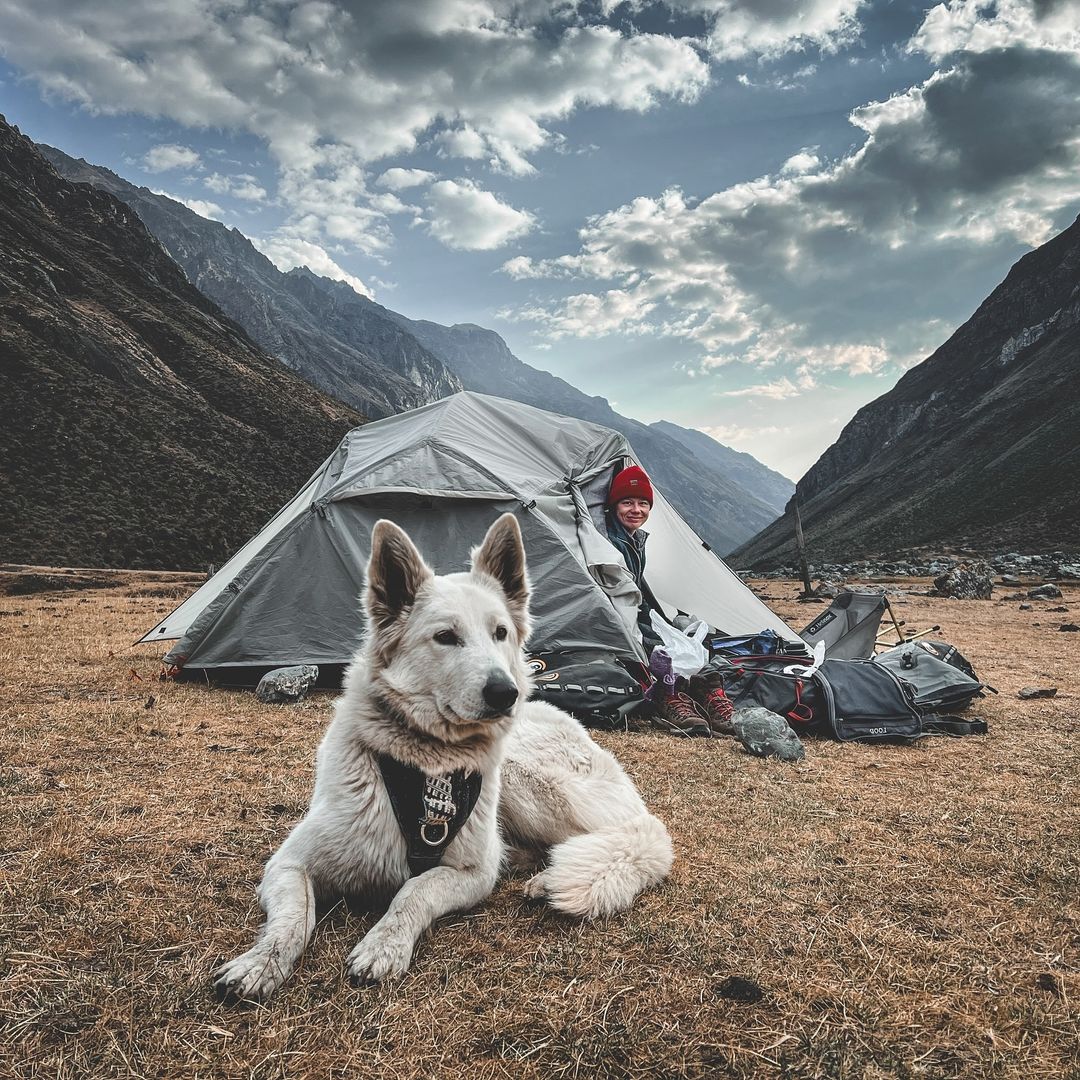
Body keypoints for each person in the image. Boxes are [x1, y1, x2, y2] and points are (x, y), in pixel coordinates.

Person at [605, 465, 734, 739]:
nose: (636, 510)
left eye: (643, 503)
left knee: (692, 641)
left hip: (635, 616)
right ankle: (669, 693)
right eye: (627, 502)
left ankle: (698, 689)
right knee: (661, 649)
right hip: (619, 623)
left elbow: (637, 596)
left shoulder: (633, 540)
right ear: (614, 506)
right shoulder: (611, 542)